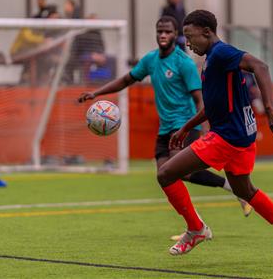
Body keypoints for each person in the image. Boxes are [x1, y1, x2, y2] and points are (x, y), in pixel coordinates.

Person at [159, 10, 273, 262]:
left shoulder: (220, 53)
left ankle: (196, 229)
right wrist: (187, 127)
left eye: (190, 36)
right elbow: (213, 105)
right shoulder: (213, 59)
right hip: (242, 137)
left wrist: (270, 109)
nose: (187, 43)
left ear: (207, 32)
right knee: (245, 189)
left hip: (226, 137)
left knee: (166, 173)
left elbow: (260, 66)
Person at [78, 15, 252, 222]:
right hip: (165, 128)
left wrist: (204, 128)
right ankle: (206, 215)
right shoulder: (150, 60)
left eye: (168, 31)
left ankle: (199, 223)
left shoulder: (184, 63)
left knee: (177, 173)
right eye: (160, 31)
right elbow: (126, 80)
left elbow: (200, 98)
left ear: (176, 34)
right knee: (164, 174)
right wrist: (96, 93)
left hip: (183, 125)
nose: (163, 35)